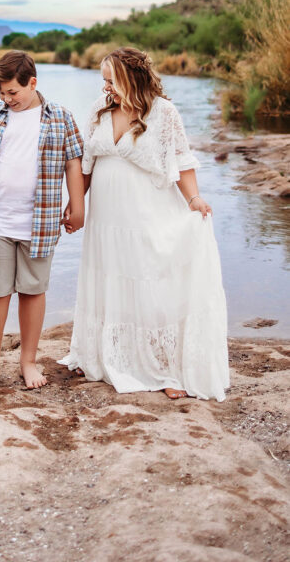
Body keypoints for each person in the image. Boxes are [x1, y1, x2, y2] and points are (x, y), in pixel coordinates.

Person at [61, 47, 229, 401]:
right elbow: (86, 163)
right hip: (107, 217)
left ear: (131, 78)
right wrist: (76, 205)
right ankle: (98, 355)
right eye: (104, 80)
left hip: (147, 212)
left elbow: (182, 160)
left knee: (150, 280)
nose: (106, 87)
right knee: (109, 277)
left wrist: (193, 197)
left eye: (112, 81)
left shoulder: (164, 112)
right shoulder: (99, 110)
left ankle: (163, 365)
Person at [0, 50, 85, 391]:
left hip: (41, 223)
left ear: (32, 83)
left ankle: (28, 361)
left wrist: (78, 206)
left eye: (13, 92)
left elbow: (74, 164)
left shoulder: (60, 117)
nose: (7, 99)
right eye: (1, 93)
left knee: (33, 291)